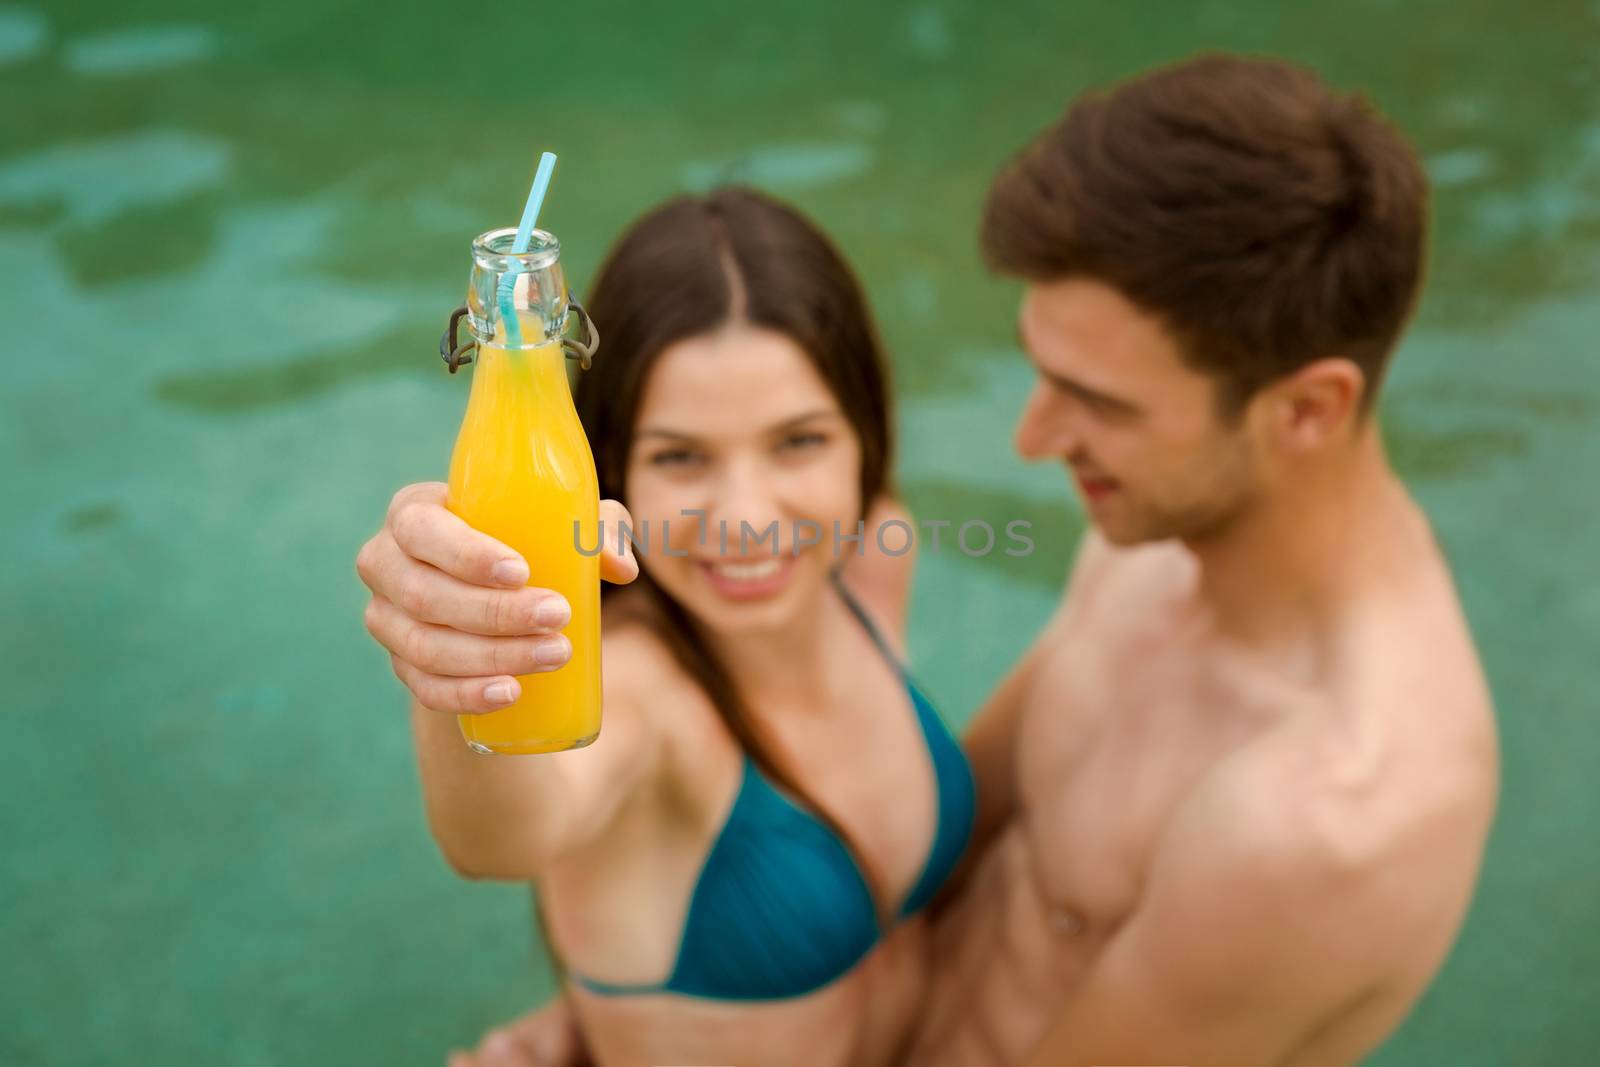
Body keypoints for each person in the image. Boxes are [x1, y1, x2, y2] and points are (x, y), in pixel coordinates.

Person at [446, 52, 1501, 1067]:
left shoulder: (1332, 813)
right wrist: (623, 996)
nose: (1030, 438)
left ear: (1307, 409)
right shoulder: (1146, 551)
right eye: (1043, 373)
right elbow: (931, 836)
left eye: (1097, 400)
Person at [355, 187, 976, 1067]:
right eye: (680, 456)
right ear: (611, 470)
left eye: (799, 441)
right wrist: (451, 668)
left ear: (863, 436)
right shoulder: (637, 688)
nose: (750, 518)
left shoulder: (873, 553)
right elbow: (497, 841)